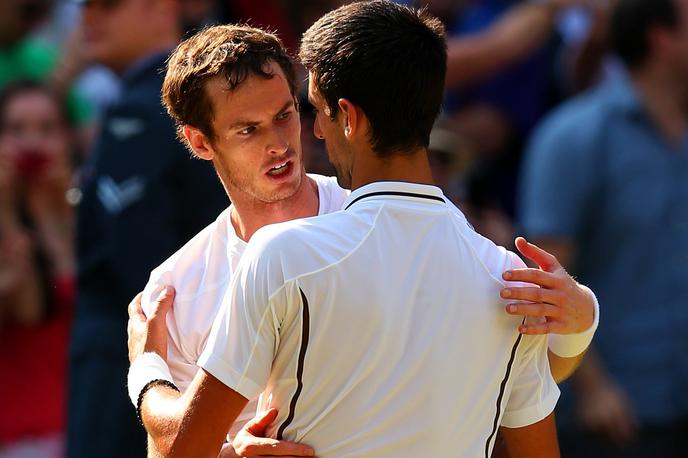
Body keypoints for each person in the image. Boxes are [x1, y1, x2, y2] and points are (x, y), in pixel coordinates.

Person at [126, 2, 602, 456]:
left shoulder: (281, 256)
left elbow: (183, 445)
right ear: (199, 141)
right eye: (248, 129)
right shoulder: (497, 271)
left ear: (345, 116)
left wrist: (146, 371)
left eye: (290, 113)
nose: (286, 141)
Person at [518, 0, 688, 456]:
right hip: (614, 424)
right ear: (662, 38)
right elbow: (546, 282)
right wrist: (595, 389)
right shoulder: (573, 138)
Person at [67, 1, 226, 457]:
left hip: (138, 361)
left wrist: (158, 363)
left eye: (108, 5)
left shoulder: (145, 108)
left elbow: (139, 266)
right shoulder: (200, 99)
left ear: (164, 9)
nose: (89, 19)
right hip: (196, 361)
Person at [0, 80, 75, 457]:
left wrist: (53, 215)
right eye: (16, 130)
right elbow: (26, 309)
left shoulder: (92, 216)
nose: (32, 143)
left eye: (46, 129)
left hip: (84, 432)